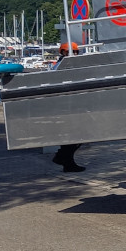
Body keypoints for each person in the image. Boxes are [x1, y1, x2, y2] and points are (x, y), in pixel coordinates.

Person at [52, 42, 84, 173]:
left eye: (76, 52)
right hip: (65, 105)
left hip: (71, 103)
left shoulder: (68, 65)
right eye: (71, 51)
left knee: (73, 136)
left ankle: (64, 159)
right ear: (63, 52)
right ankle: (63, 159)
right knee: (74, 135)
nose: (74, 54)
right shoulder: (61, 66)